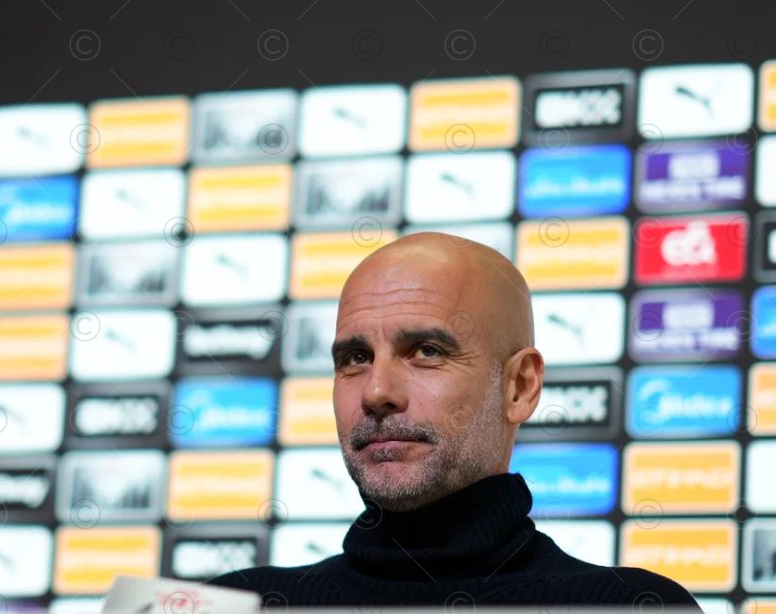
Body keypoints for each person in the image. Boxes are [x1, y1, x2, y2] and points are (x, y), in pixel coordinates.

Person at [206, 231, 702, 610]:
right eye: (355, 358)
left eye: (426, 351)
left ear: (520, 387)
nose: (377, 392)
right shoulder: (236, 605)